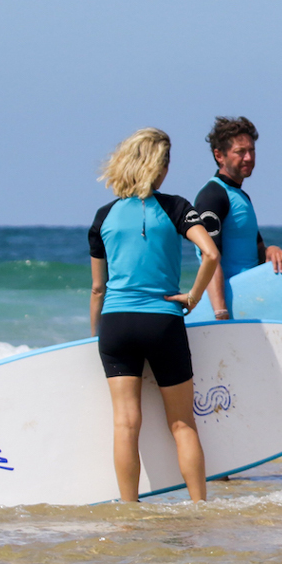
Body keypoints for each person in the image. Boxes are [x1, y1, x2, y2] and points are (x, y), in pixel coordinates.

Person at [88, 127, 220, 502]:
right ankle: (199, 506)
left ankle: (130, 511)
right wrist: (193, 297)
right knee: (182, 424)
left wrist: (96, 334)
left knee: (126, 424)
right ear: (158, 168)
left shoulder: (103, 216)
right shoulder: (176, 207)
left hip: (116, 324)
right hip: (163, 321)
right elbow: (210, 254)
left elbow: (98, 288)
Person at [194, 116, 282, 320]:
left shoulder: (240, 196)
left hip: (250, 302)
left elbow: (252, 252)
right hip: (230, 307)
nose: (248, 157)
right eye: (240, 152)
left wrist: (271, 251)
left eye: (252, 150)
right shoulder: (212, 196)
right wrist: (221, 314)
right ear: (219, 155)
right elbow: (210, 258)